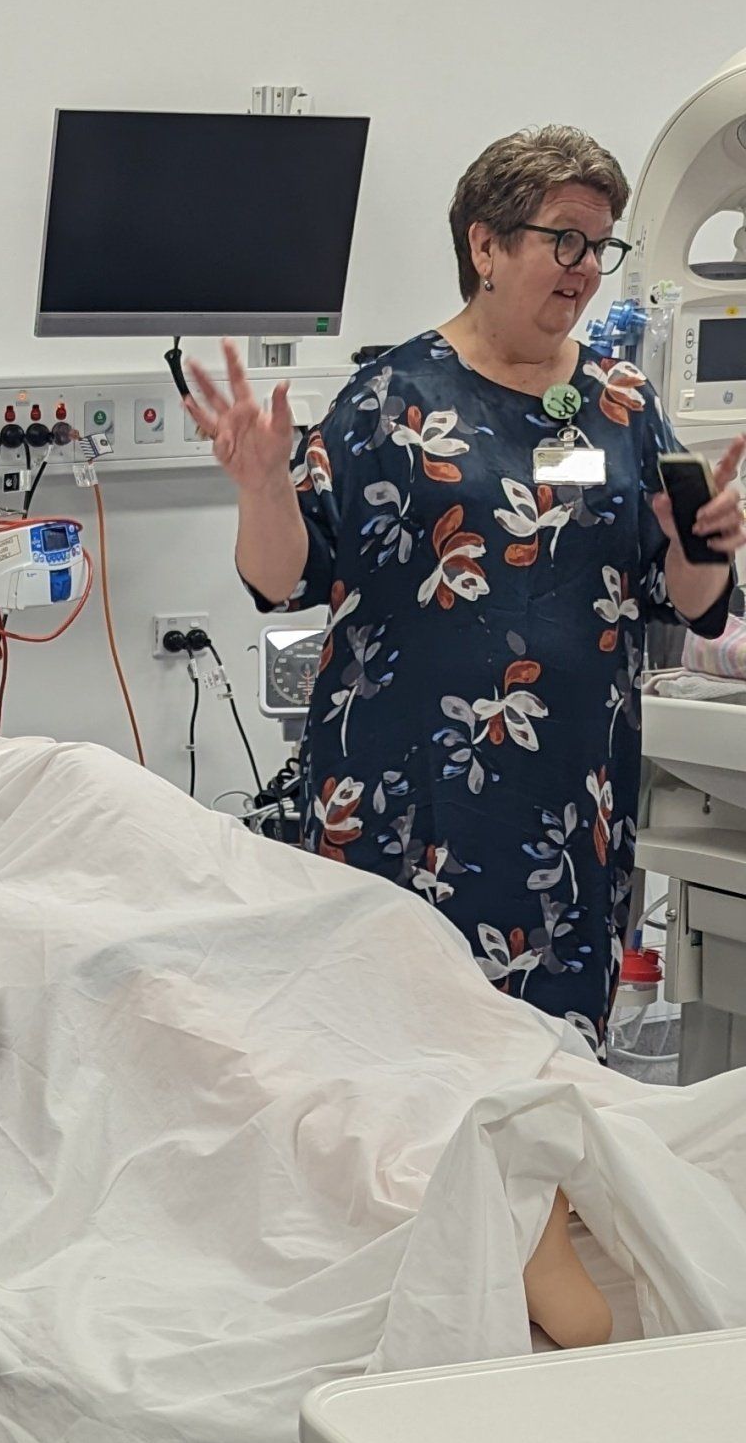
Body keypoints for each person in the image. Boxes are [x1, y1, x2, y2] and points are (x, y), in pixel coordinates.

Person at [0, 701, 611, 1346]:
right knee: (175, 1015)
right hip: (63, 921)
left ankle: (479, 1124)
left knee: (366, 930)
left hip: (185, 881)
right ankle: (449, 1192)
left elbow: (144, 822)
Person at [185, 124, 746, 1048]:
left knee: (549, 1085)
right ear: (484, 244)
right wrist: (262, 487)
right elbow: (284, 577)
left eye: (599, 246)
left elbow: (687, 600)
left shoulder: (621, 403)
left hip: (566, 819)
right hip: (409, 810)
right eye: (562, 239)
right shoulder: (389, 399)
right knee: (397, 1067)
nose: (583, 268)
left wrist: (708, 542)